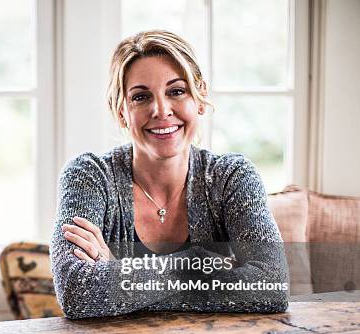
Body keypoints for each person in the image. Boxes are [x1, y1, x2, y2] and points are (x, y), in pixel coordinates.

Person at [50, 30, 289, 319]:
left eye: (176, 91)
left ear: (199, 99)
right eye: (140, 97)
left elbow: (271, 286)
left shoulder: (232, 177)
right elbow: (78, 294)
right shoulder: (89, 175)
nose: (161, 110)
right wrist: (195, 264)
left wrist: (120, 274)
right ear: (121, 112)